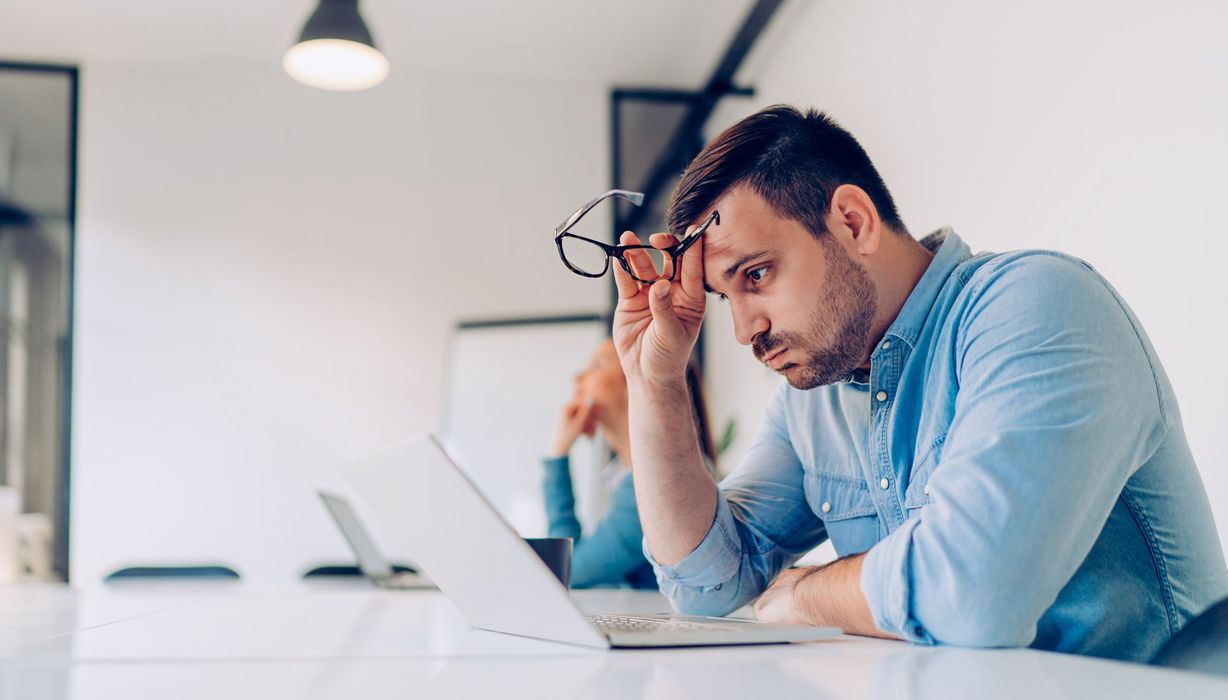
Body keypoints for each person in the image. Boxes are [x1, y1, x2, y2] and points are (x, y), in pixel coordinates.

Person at [606, 104, 1228, 661]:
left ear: (853, 222)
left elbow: (973, 594)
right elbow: (705, 585)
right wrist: (653, 382)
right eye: (724, 297)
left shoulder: (1037, 303)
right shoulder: (813, 400)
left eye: (758, 275)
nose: (745, 330)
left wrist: (805, 592)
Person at [542, 338, 717, 589]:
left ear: (635, 383)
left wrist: (558, 455)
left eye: (598, 364)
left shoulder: (658, 485)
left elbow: (567, 570)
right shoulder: (627, 477)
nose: (578, 378)